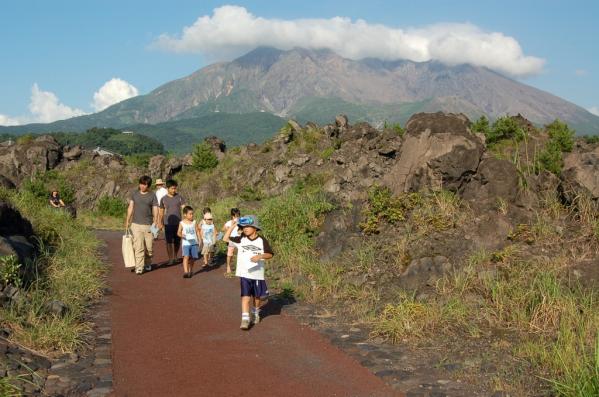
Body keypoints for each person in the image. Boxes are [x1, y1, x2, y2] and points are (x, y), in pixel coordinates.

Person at [224, 215, 274, 330]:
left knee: (257, 297)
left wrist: (260, 256)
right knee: (245, 297)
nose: (245, 228)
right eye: (243, 226)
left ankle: (256, 312)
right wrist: (233, 226)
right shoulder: (241, 239)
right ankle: (245, 320)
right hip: (244, 274)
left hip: (257, 274)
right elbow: (225, 239)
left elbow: (270, 254)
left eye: (248, 226)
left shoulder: (262, 240)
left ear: (255, 228)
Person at [125, 176, 159, 274]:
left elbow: (155, 208)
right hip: (136, 224)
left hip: (149, 225)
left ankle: (148, 262)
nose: (142, 186)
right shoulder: (134, 194)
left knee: (149, 248)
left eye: (145, 184)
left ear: (148, 185)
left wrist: (155, 221)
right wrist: (127, 220)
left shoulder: (152, 195)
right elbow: (130, 207)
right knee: (138, 246)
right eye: (141, 184)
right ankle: (139, 267)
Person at [159, 179, 186, 266]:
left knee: (177, 240)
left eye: (175, 188)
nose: (174, 190)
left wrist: (187, 220)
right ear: (167, 188)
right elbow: (161, 212)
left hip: (179, 223)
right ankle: (170, 259)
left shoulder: (180, 197)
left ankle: (175, 256)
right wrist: (160, 222)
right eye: (172, 188)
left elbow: (184, 209)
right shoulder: (163, 199)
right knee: (169, 241)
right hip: (168, 223)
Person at [177, 206, 200, 278]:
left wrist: (199, 239)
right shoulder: (181, 223)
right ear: (185, 214)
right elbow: (178, 232)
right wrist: (182, 235)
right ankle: (186, 272)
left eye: (192, 214)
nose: (192, 215)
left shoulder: (194, 222)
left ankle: (191, 270)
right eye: (190, 214)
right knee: (186, 257)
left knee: (193, 258)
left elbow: (197, 231)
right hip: (186, 243)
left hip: (194, 243)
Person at [222, 208, 241, 277]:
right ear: (232, 216)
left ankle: (239, 267)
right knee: (230, 254)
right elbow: (223, 228)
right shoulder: (229, 222)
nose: (236, 217)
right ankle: (228, 266)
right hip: (231, 240)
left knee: (240, 253)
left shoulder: (241, 222)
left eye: (238, 216)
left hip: (239, 240)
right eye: (235, 216)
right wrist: (229, 227)